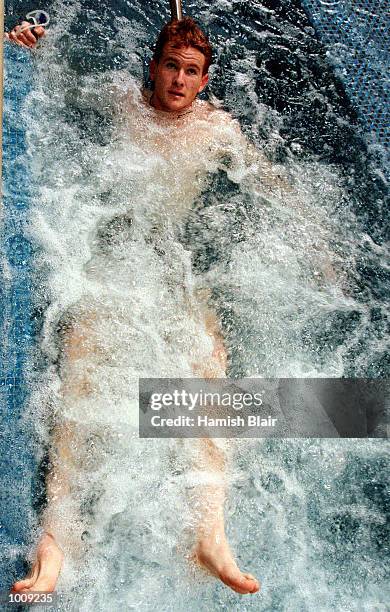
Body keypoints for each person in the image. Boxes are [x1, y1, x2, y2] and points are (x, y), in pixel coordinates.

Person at [6, 14, 289, 598]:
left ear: (205, 80)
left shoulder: (218, 131)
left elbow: (270, 182)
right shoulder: (123, 104)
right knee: (81, 368)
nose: (179, 81)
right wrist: (29, 46)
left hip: (170, 269)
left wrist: (319, 242)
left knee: (211, 360)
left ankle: (210, 535)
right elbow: (57, 80)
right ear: (154, 66)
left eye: (191, 72)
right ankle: (55, 545)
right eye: (171, 67)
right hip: (112, 258)